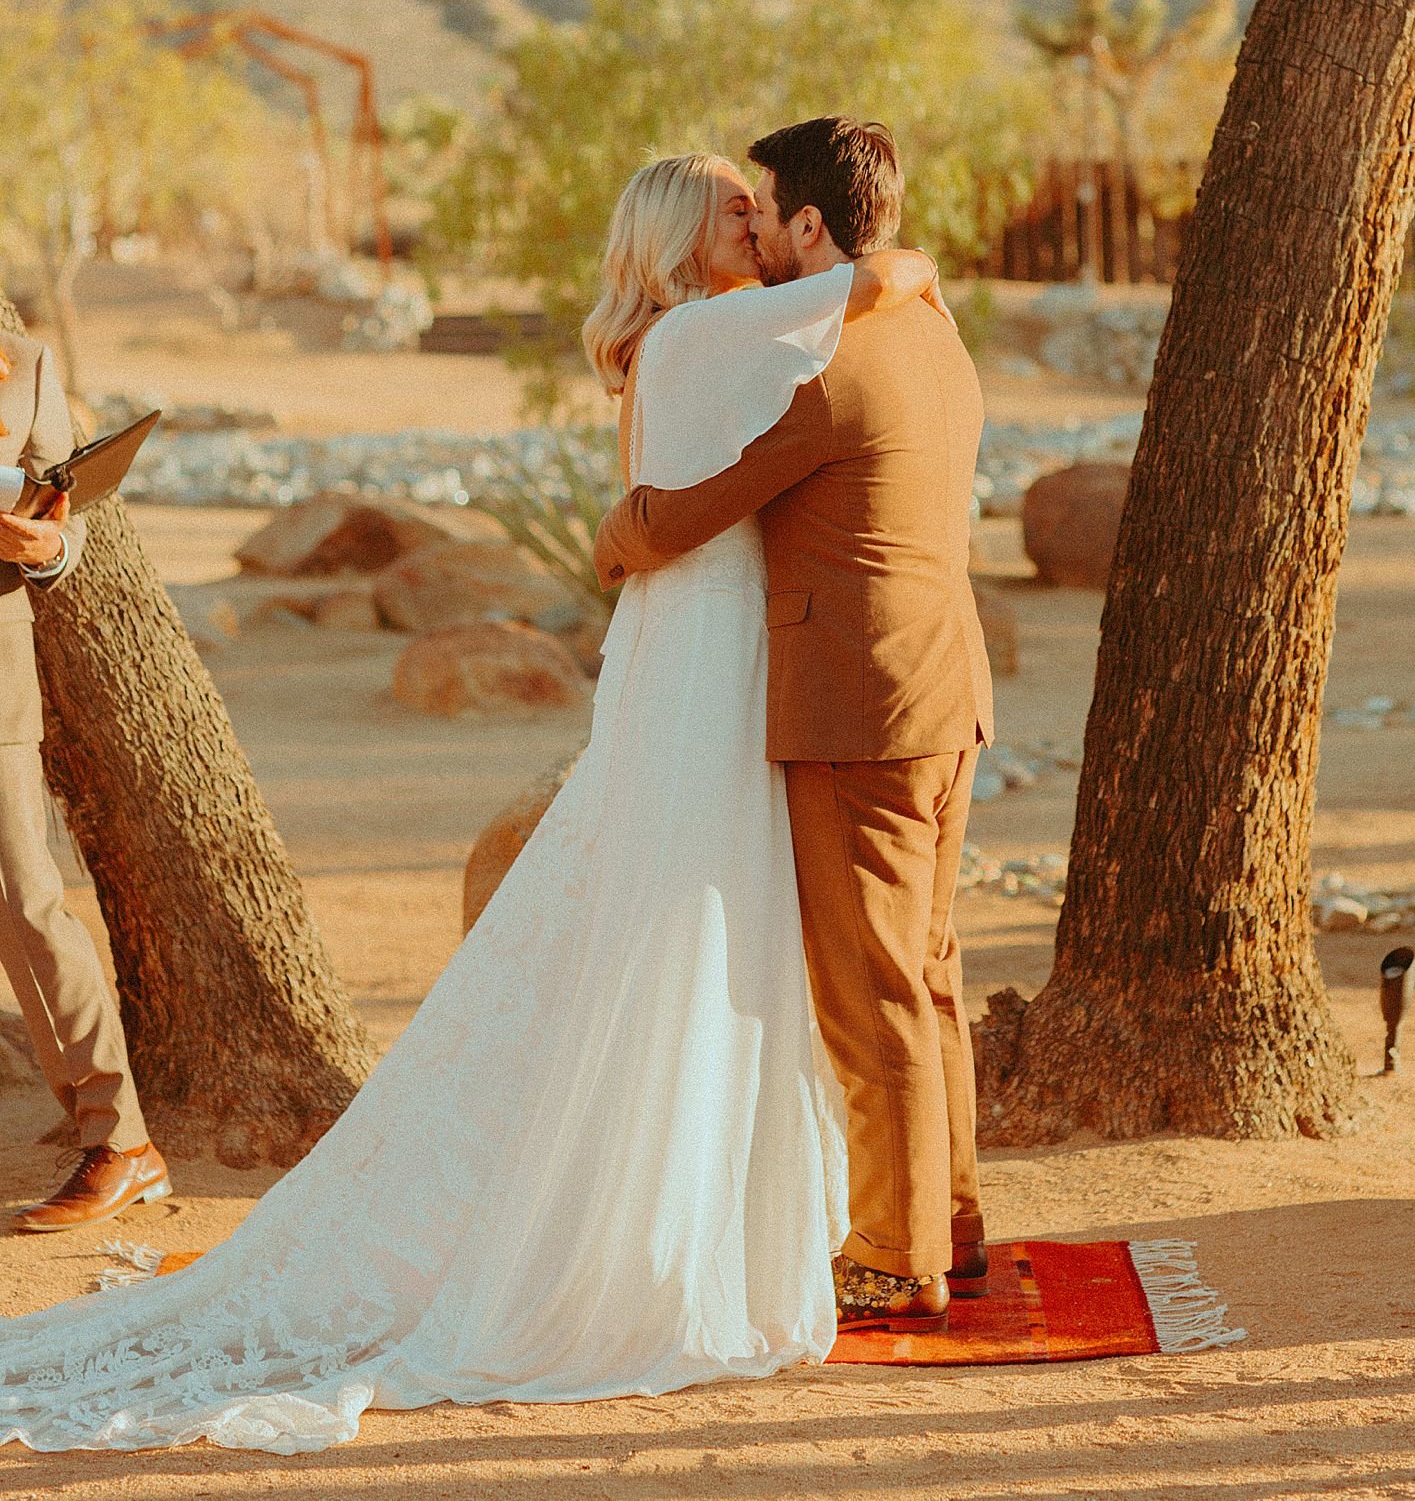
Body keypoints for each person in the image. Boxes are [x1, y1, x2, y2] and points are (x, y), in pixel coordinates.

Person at [0, 146, 947, 1455]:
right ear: (686, 232)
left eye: (756, 202)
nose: (753, 221)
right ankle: (674, 1230)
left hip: (707, 650)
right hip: (711, 656)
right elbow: (860, 287)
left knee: (682, 918)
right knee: (692, 919)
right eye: (731, 205)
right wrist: (901, 260)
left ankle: (696, 1209)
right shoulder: (709, 331)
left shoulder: (677, 336)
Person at [596, 118, 993, 1329]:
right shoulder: (933, 334)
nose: (757, 229)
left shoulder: (822, 370)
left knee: (868, 991)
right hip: (946, 690)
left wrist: (621, 535)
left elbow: (695, 511)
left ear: (810, 224)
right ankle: (956, 1222)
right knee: (926, 974)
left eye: (765, 211)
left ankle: (892, 1249)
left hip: (853, 704)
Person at [0, 336, 170, 1233]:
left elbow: (63, 531)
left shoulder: (23, 365)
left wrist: (44, 544)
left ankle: (121, 1142)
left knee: (23, 905)